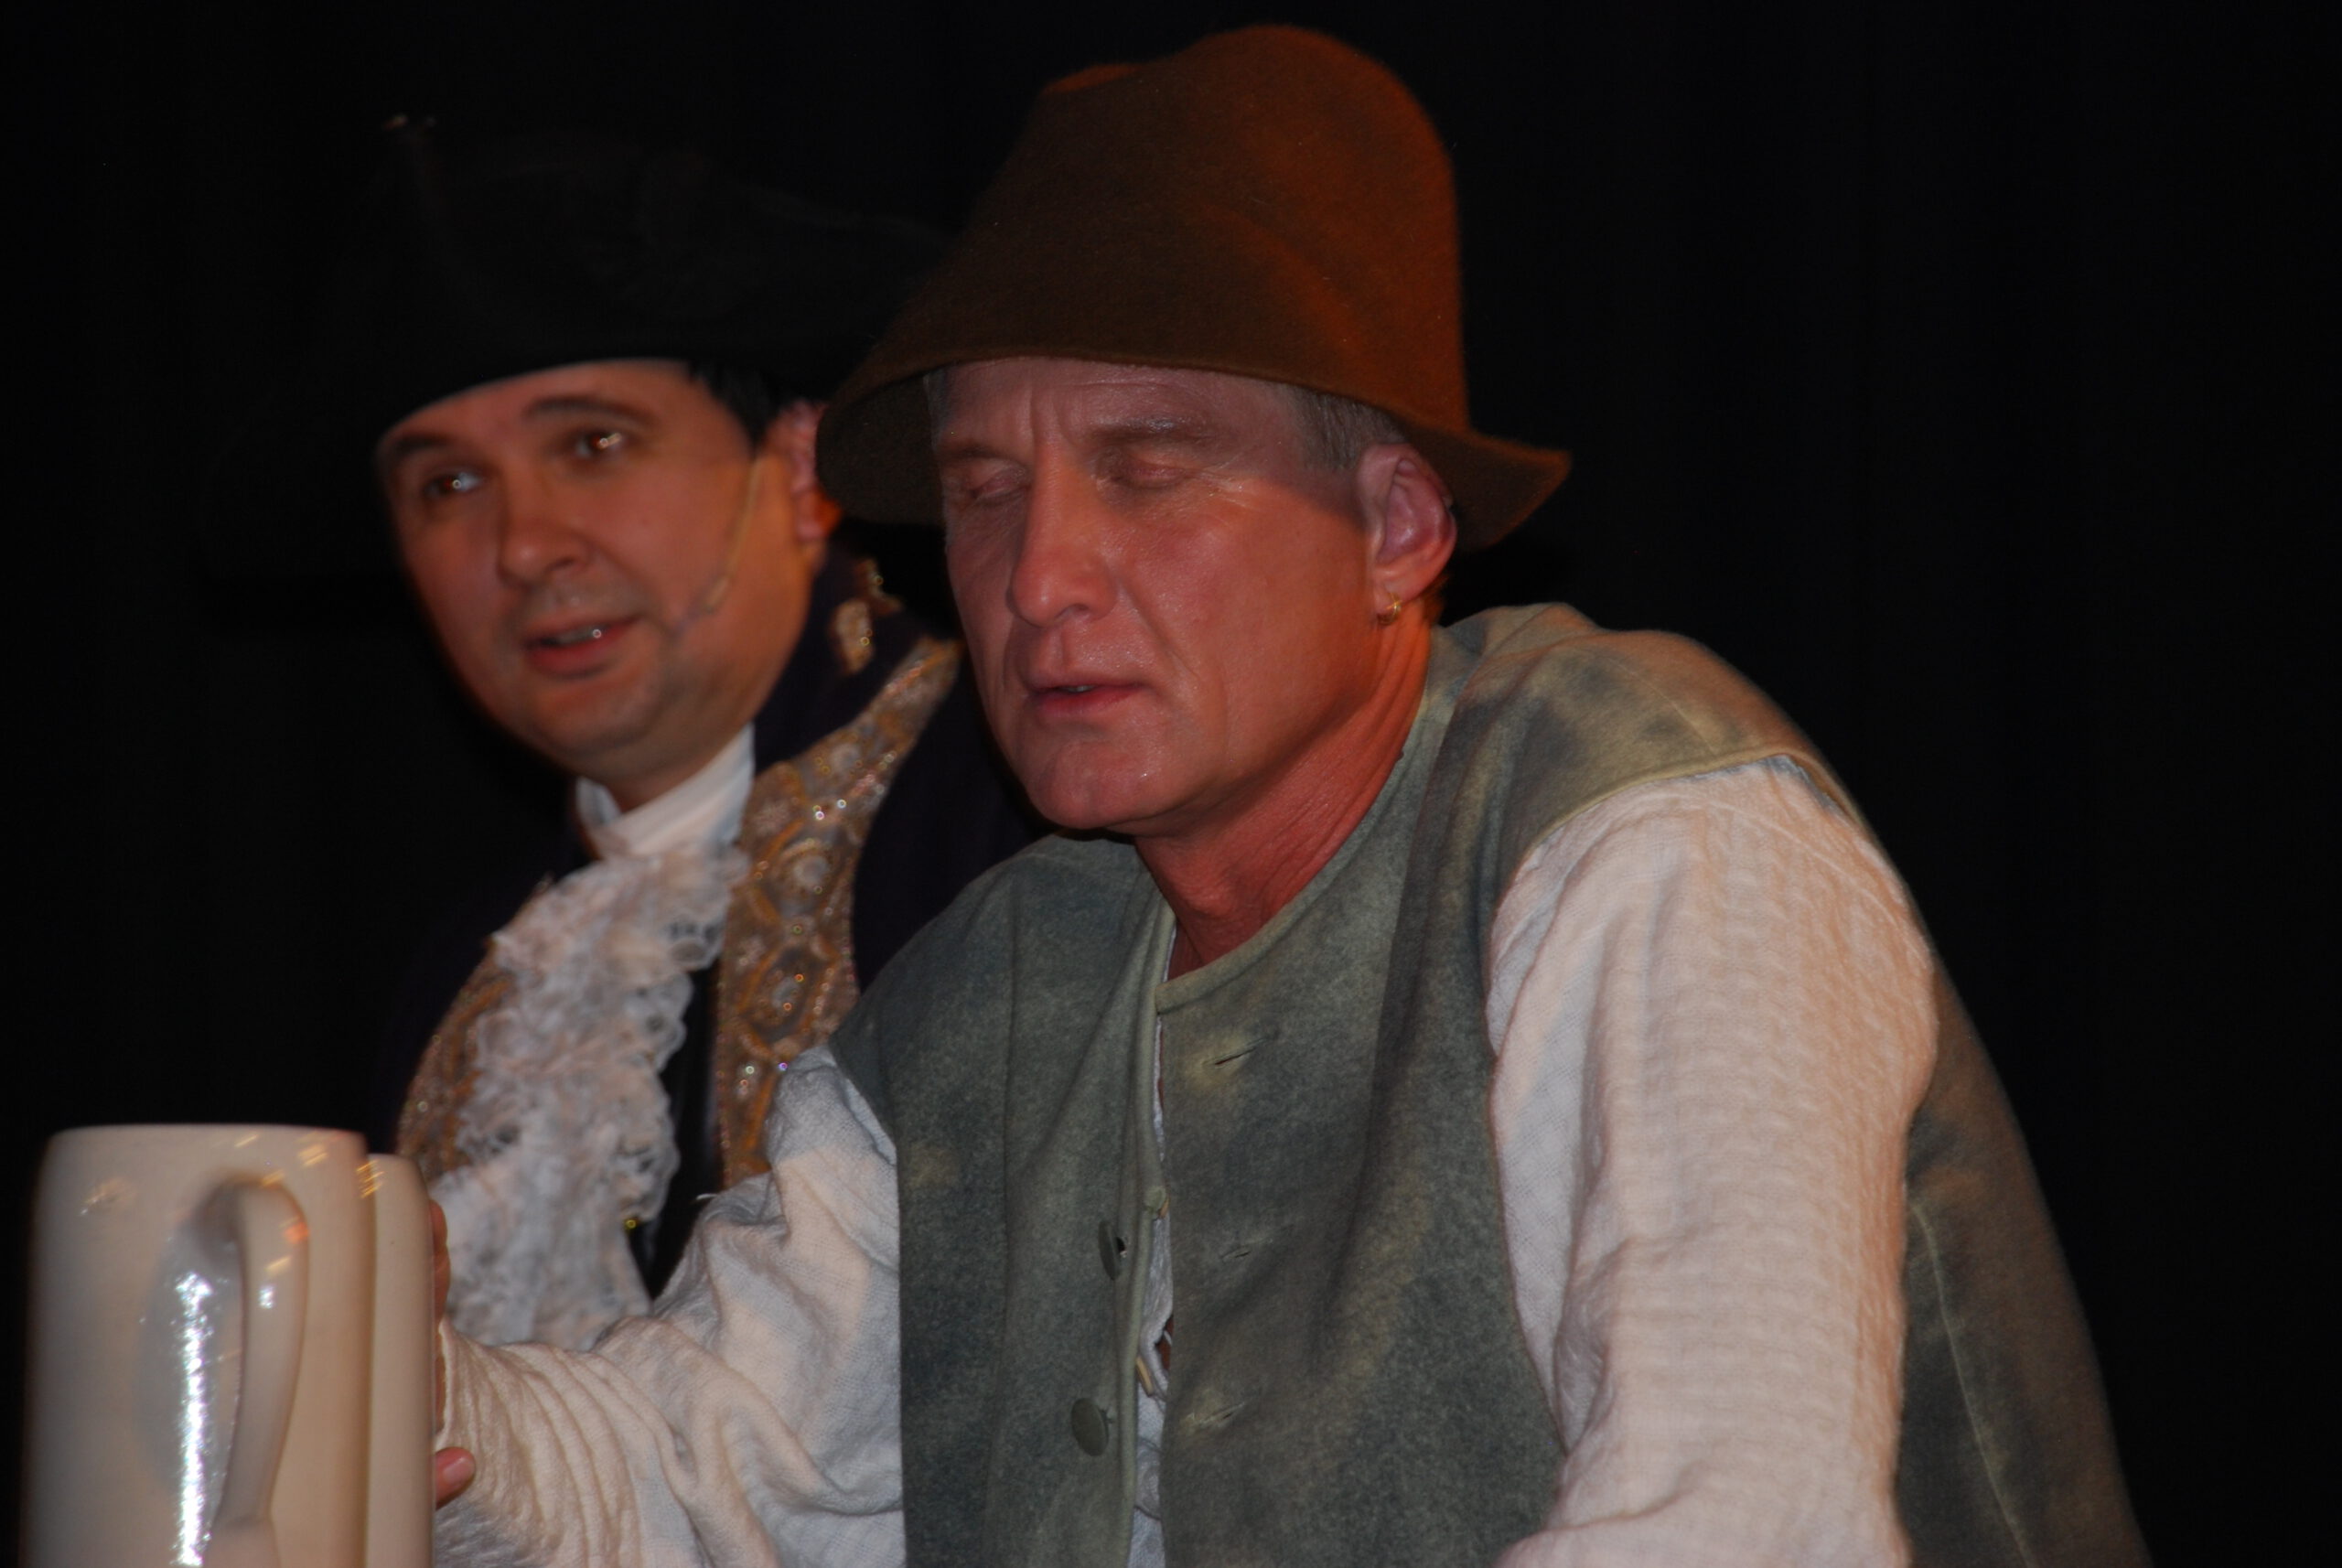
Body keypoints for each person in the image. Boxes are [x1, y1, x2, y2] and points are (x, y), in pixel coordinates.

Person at [428, 28, 2147, 1566]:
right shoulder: (990, 989)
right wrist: (387, 1381)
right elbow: (676, 1467)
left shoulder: (1645, 825)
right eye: (987, 490)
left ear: (1397, 529)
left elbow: (1739, 1527)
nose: (1038, 578)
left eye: (1147, 470)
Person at [330, 129, 1037, 1351]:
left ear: (802, 466)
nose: (524, 545)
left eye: (593, 444)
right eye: (448, 484)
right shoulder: (471, 973)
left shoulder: (1009, 814)